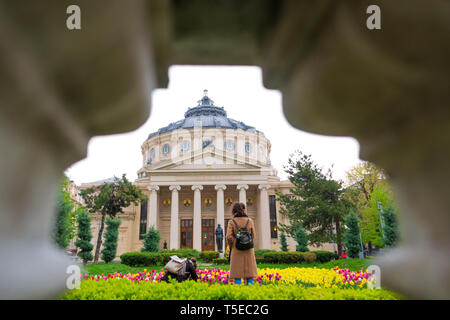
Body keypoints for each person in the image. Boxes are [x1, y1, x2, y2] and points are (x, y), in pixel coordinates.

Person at [226, 202, 258, 285]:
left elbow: (229, 237)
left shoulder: (232, 222)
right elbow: (253, 235)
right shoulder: (250, 221)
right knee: (249, 274)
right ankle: (249, 293)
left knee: (237, 274)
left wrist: (234, 243)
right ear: (244, 210)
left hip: (236, 250)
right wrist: (247, 240)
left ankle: (239, 293)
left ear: (234, 211)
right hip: (248, 249)